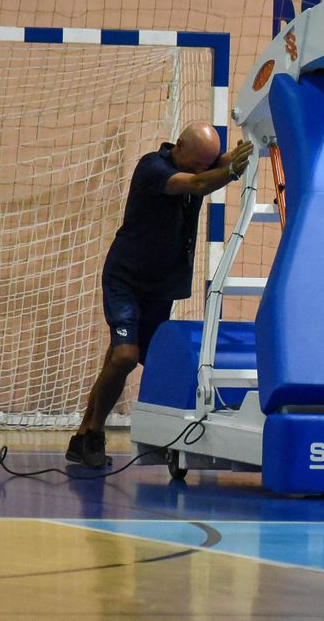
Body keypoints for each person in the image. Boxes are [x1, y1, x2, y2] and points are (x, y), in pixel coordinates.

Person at [66, 122, 253, 469]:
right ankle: (93, 432)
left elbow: (217, 164)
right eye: (197, 163)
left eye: (206, 164)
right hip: (127, 279)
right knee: (126, 356)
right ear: (178, 146)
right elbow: (198, 183)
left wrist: (252, 147)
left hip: (160, 285)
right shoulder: (152, 168)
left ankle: (83, 435)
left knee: (132, 358)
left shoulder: (197, 164)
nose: (201, 169)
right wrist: (229, 171)